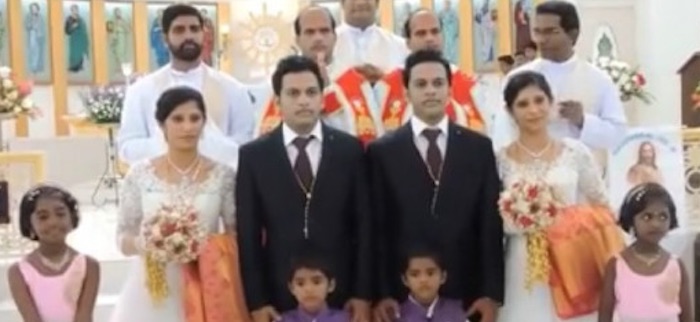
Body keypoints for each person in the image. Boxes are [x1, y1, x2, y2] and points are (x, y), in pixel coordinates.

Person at [369, 50, 503, 322]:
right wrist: (381, 292)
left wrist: (491, 293)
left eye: (438, 83)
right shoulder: (382, 151)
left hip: (467, 293)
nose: (430, 91)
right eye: (420, 84)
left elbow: (489, 225)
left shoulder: (478, 148)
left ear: (450, 89)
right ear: (406, 92)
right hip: (404, 293)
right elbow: (377, 228)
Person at [236, 55, 372, 322]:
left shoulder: (349, 150)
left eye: (311, 92)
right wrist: (257, 301)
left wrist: (363, 293)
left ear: (322, 98)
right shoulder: (254, 156)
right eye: (293, 93)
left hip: (341, 289)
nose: (303, 100)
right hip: (281, 292)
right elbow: (248, 235)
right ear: (278, 101)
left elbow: (365, 227)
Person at [110, 87, 248, 321]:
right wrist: (146, 243)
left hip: (208, 281)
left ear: (205, 123)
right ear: (162, 125)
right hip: (154, 286)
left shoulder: (223, 175)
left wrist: (202, 244)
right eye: (178, 119)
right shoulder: (140, 174)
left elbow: (236, 234)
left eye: (195, 118)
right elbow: (123, 237)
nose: (188, 127)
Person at [496, 71, 611, 322]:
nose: (533, 110)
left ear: (550, 102)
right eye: (523, 104)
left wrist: (568, 219)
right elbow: (491, 217)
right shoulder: (500, 159)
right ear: (510, 111)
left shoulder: (575, 152)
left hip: (571, 256)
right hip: (521, 263)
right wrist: (516, 218)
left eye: (539, 100)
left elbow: (602, 206)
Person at [491, 1, 626, 173]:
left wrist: (583, 121)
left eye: (551, 32)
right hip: (530, 183)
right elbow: (502, 133)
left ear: (573, 34)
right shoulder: (516, 78)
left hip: (583, 183)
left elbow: (618, 135)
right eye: (537, 32)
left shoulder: (599, 80)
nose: (541, 40)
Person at [118, 4, 254, 168]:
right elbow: (127, 148)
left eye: (194, 29)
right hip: (160, 187)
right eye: (179, 30)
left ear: (203, 34)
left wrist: (206, 142)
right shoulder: (140, 91)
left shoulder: (233, 89)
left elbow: (247, 146)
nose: (188, 36)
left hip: (217, 186)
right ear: (164, 38)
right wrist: (168, 141)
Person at [254, 5, 383, 146]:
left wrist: (329, 92)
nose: (318, 38)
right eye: (310, 32)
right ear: (297, 39)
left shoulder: (355, 81)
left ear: (334, 37)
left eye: (324, 31)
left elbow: (370, 138)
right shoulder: (279, 82)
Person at [374, 9, 485, 134]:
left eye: (435, 32)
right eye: (421, 33)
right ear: (408, 42)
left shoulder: (469, 85)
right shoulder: (385, 86)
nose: (429, 38)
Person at [599, 183, 693, 322]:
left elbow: (687, 317)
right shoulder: (617, 265)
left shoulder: (676, 266)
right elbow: (604, 315)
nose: (656, 224)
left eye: (663, 217)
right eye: (647, 217)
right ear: (632, 220)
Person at [8, 185, 100, 322]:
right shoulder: (19, 272)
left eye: (60, 214)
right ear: (29, 224)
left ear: (72, 218)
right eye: (43, 217)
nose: (53, 222)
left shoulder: (89, 266)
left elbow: (84, 316)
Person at [334, 0, 409, 82]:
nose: (360, 3)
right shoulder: (328, 45)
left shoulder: (401, 46)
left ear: (377, 3)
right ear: (342, 3)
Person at [397, 245, 469, 322]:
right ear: (405, 280)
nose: (423, 280)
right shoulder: (396, 316)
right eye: (415, 275)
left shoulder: (455, 312)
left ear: (443, 277)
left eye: (430, 273)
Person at [280, 246, 351, 322]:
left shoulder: (347, 319)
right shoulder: (283, 320)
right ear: (291, 288)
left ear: (331, 285)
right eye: (300, 284)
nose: (309, 289)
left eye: (317, 282)